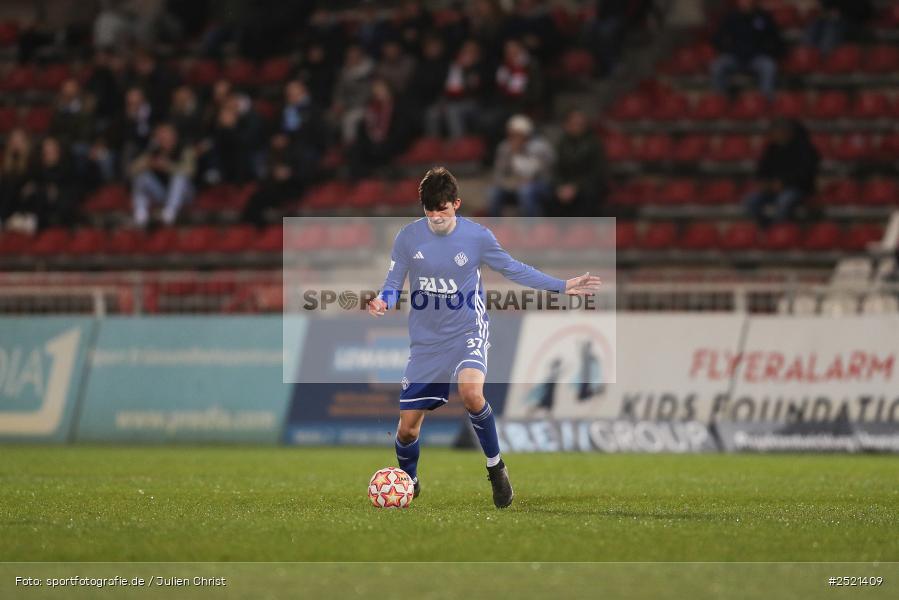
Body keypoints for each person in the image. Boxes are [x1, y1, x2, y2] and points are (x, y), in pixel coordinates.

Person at [367, 166, 601, 508]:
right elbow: (392, 284)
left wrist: (561, 286)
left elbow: (513, 268)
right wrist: (382, 301)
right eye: (430, 212)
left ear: (456, 204)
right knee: (407, 430)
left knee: (471, 393)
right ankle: (409, 481)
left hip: (467, 330)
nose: (436, 218)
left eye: (442, 210)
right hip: (427, 342)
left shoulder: (477, 238)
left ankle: (496, 469)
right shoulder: (408, 237)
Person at [744, 119, 819, 227]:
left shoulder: (804, 150)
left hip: (798, 189)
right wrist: (764, 183)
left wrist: (784, 183)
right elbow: (761, 171)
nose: (775, 135)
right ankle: (765, 227)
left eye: (779, 131)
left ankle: (779, 230)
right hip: (772, 189)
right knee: (751, 201)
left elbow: (805, 174)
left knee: (784, 201)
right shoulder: (771, 150)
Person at [710, 0, 783, 100]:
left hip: (757, 58)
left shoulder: (763, 17)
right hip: (735, 57)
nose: (745, 2)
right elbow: (717, 38)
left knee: (769, 66)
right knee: (717, 66)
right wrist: (728, 49)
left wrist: (767, 51)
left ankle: (766, 100)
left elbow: (775, 39)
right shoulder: (731, 17)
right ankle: (720, 99)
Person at [129, 123, 195, 227]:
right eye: (160, 136)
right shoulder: (153, 151)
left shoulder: (184, 149)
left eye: (166, 135)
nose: (163, 139)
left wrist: (168, 166)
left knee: (179, 178)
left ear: (174, 136)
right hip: (163, 193)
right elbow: (131, 171)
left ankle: (169, 214)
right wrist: (148, 163)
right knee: (142, 177)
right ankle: (140, 215)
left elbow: (190, 171)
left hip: (185, 194)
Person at [488, 114, 554, 217]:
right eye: (511, 134)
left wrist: (527, 180)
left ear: (526, 135)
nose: (513, 138)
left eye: (517, 135)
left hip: (538, 184)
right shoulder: (504, 147)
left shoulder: (540, 148)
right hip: (512, 184)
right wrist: (511, 154)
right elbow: (498, 174)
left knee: (525, 191)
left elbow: (545, 174)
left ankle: (529, 225)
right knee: (493, 192)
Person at [548, 109, 607, 217]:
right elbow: (556, 170)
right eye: (574, 124)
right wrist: (560, 186)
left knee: (588, 195)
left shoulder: (594, 143)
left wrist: (576, 187)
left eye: (580, 124)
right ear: (566, 125)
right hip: (565, 186)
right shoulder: (562, 143)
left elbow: (597, 172)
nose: (577, 127)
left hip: (586, 185)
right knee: (549, 194)